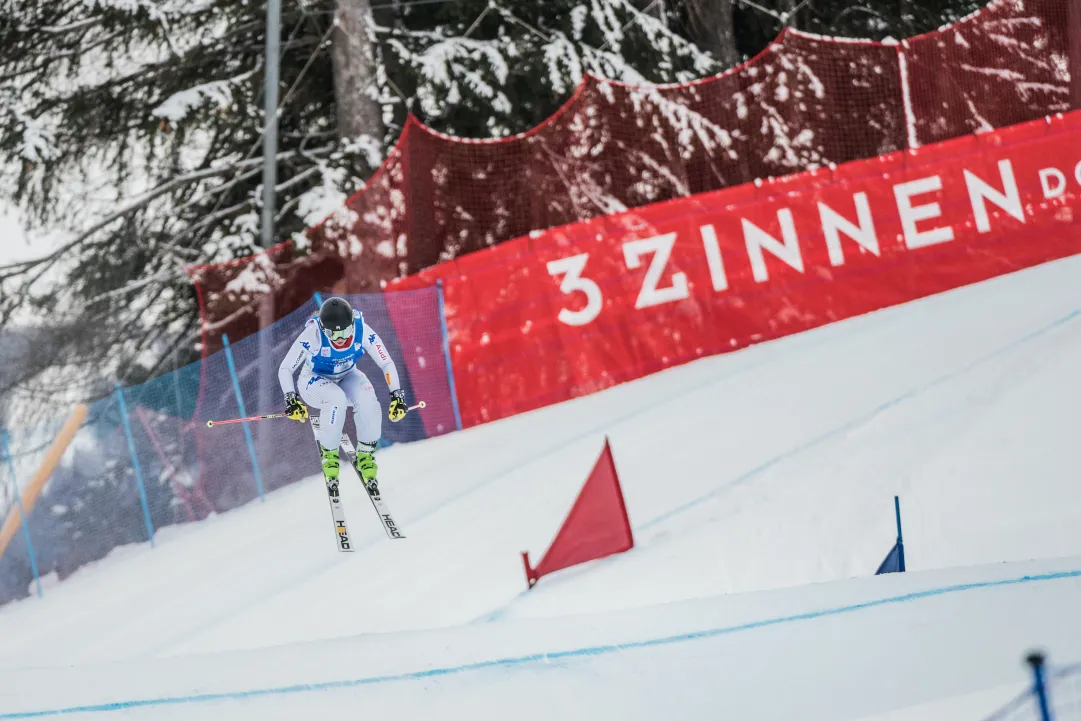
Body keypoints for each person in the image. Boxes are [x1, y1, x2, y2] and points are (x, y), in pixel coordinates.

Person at [277, 296, 408, 493]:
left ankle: (366, 455)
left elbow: (386, 362)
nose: (340, 339)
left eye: (346, 332)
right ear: (324, 329)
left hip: (347, 375)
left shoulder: (362, 329)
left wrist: (397, 395)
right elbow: (286, 368)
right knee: (335, 399)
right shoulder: (313, 334)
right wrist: (291, 398)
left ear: (351, 325)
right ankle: (329, 456)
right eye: (332, 334)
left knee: (368, 400)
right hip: (313, 382)